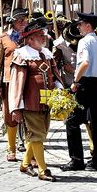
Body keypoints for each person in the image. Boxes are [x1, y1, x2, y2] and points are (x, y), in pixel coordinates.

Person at [8, 20, 60, 181]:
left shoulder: (46, 53)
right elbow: (16, 83)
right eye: (39, 35)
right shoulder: (22, 55)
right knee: (37, 135)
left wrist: (59, 89)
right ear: (29, 39)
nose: (43, 37)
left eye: (43, 35)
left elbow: (54, 74)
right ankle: (43, 170)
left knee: (39, 133)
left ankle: (25, 164)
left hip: (47, 102)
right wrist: (16, 107)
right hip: (30, 102)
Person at [63, 13, 97, 172]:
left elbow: (84, 62)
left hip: (85, 84)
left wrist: (76, 82)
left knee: (72, 121)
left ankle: (76, 160)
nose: (78, 27)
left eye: (80, 24)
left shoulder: (84, 42)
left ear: (88, 26)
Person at [0, 9, 28, 162]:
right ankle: (11, 149)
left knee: (28, 116)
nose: (23, 23)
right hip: (8, 81)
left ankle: (29, 150)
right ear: (13, 22)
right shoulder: (3, 38)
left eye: (24, 20)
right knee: (10, 115)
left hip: (27, 81)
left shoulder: (29, 37)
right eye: (20, 20)